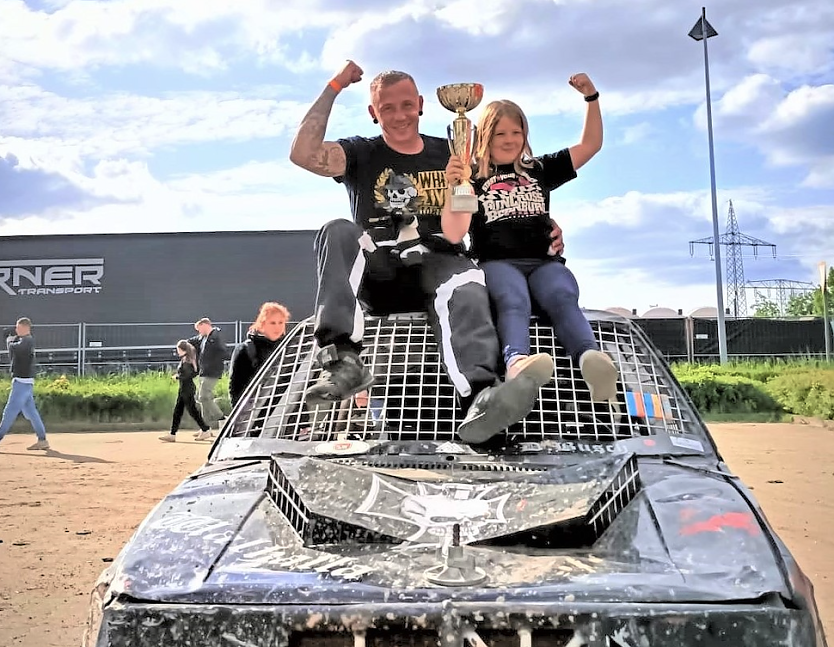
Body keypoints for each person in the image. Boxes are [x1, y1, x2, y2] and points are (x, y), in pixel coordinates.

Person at [289, 60, 564, 443]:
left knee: (467, 277)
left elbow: (496, 198)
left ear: (420, 104)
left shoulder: (452, 152)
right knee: (336, 230)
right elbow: (303, 154)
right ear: (373, 113)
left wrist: (541, 226)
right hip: (381, 269)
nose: (399, 115)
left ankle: (481, 400)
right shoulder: (360, 153)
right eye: (387, 108)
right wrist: (335, 86)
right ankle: (342, 359)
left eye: (406, 105)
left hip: (437, 262)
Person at [442, 73, 619, 409]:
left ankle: (591, 359)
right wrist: (457, 188)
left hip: (544, 261)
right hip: (497, 263)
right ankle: (517, 362)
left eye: (516, 132)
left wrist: (591, 98)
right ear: (483, 136)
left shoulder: (539, 169)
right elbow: (457, 232)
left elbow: (590, 145)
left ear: (525, 134)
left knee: (563, 294)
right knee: (513, 299)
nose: (509, 140)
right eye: (499, 133)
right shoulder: (475, 177)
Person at [0, 317, 50, 451]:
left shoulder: (26, 341)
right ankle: (42, 440)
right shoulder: (25, 340)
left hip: (21, 383)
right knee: (32, 413)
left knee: (9, 412)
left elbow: (14, 348)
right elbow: (14, 352)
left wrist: (9, 340)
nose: (16, 329)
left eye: (18, 327)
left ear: (25, 328)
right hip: (25, 382)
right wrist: (12, 339)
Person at [228, 302, 290, 407]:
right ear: (262, 324)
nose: (277, 327)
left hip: (287, 410)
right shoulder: (246, 349)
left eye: (281, 322)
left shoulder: (289, 348)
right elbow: (236, 388)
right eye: (272, 323)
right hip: (256, 413)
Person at [159, 340, 213, 442]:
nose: (177, 351)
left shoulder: (187, 360)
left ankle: (205, 429)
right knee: (179, 411)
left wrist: (177, 377)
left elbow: (188, 375)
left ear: (183, 350)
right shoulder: (187, 359)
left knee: (191, 411)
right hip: (185, 388)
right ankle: (172, 434)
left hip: (186, 389)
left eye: (178, 349)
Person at [187, 317, 228, 430]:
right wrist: (184, 344)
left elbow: (224, 352)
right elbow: (193, 340)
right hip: (204, 371)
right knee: (202, 399)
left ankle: (222, 418)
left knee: (203, 396)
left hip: (212, 372)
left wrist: (213, 363)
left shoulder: (216, 337)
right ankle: (205, 428)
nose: (199, 332)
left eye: (199, 329)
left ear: (205, 325)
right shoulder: (204, 338)